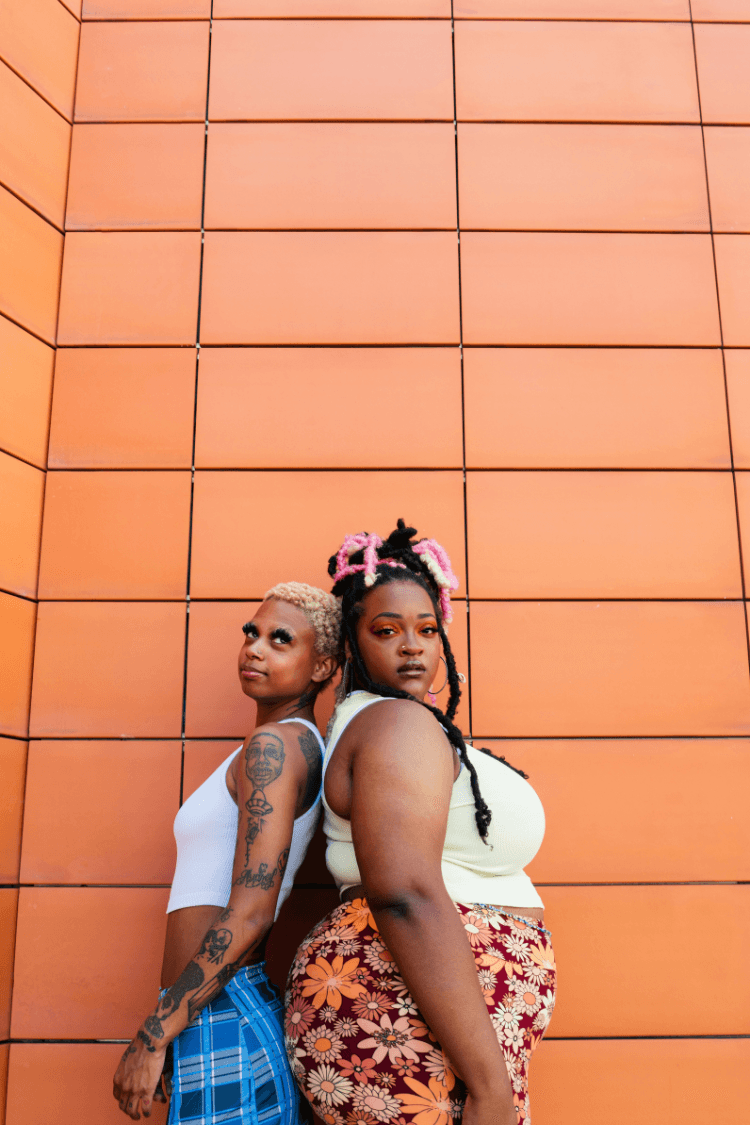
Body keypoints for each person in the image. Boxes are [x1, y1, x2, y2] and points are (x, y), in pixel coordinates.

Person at [285, 522, 554, 1125]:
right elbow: (402, 892)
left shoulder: (400, 723)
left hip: (428, 1030)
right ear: (352, 645)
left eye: (427, 630)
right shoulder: (397, 726)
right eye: (387, 630)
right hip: (407, 1023)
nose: (413, 646)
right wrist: (490, 1087)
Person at [114, 583, 342, 1124]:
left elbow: (252, 911)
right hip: (210, 1009)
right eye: (252, 633)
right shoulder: (284, 743)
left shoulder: (274, 748)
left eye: (280, 640)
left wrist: (155, 1032)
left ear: (320, 667)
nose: (256, 649)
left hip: (224, 1009)